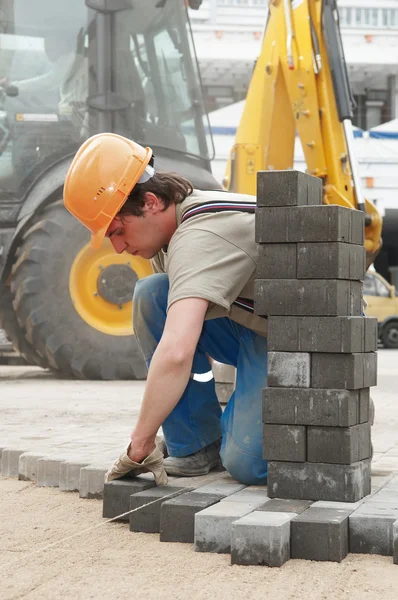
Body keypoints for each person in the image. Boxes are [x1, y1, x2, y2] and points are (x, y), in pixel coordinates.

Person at [64, 132, 268, 486]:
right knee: (153, 294)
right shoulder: (168, 237)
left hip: (296, 340)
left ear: (151, 203)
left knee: (246, 463)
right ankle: (196, 444)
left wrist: (139, 445)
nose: (116, 248)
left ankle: (327, 406)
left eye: (117, 230)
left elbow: (176, 352)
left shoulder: (199, 235)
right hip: (251, 323)